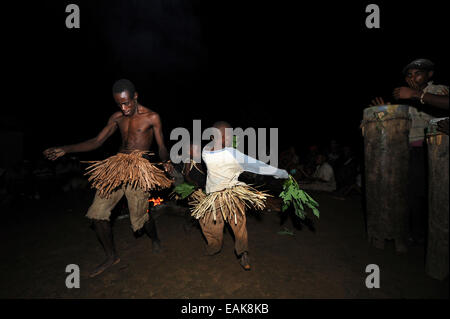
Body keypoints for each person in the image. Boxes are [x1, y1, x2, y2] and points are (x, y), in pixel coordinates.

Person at [43, 79, 173, 277]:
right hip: (117, 166)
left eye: (127, 102)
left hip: (138, 169)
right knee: (97, 213)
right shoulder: (117, 118)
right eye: (120, 104)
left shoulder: (152, 117)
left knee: (139, 219)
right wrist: (66, 149)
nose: (124, 107)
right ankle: (112, 256)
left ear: (135, 96)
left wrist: (166, 161)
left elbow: (161, 145)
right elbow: (97, 141)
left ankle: (155, 239)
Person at [189, 121, 288, 270]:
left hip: (213, 199)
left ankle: (213, 248)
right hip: (233, 196)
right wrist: (281, 173)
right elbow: (258, 166)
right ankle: (243, 252)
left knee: (211, 228)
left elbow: (213, 144)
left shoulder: (206, 150)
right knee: (239, 227)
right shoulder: (233, 154)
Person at [371, 59, 449, 245]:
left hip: (433, 149)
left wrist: (415, 94)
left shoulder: (438, 90)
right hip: (408, 150)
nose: (412, 78)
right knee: (408, 193)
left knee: (428, 195)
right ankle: (410, 233)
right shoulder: (405, 97)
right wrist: (383, 111)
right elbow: (397, 123)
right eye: (409, 75)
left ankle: (425, 236)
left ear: (429, 75)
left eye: (417, 73)